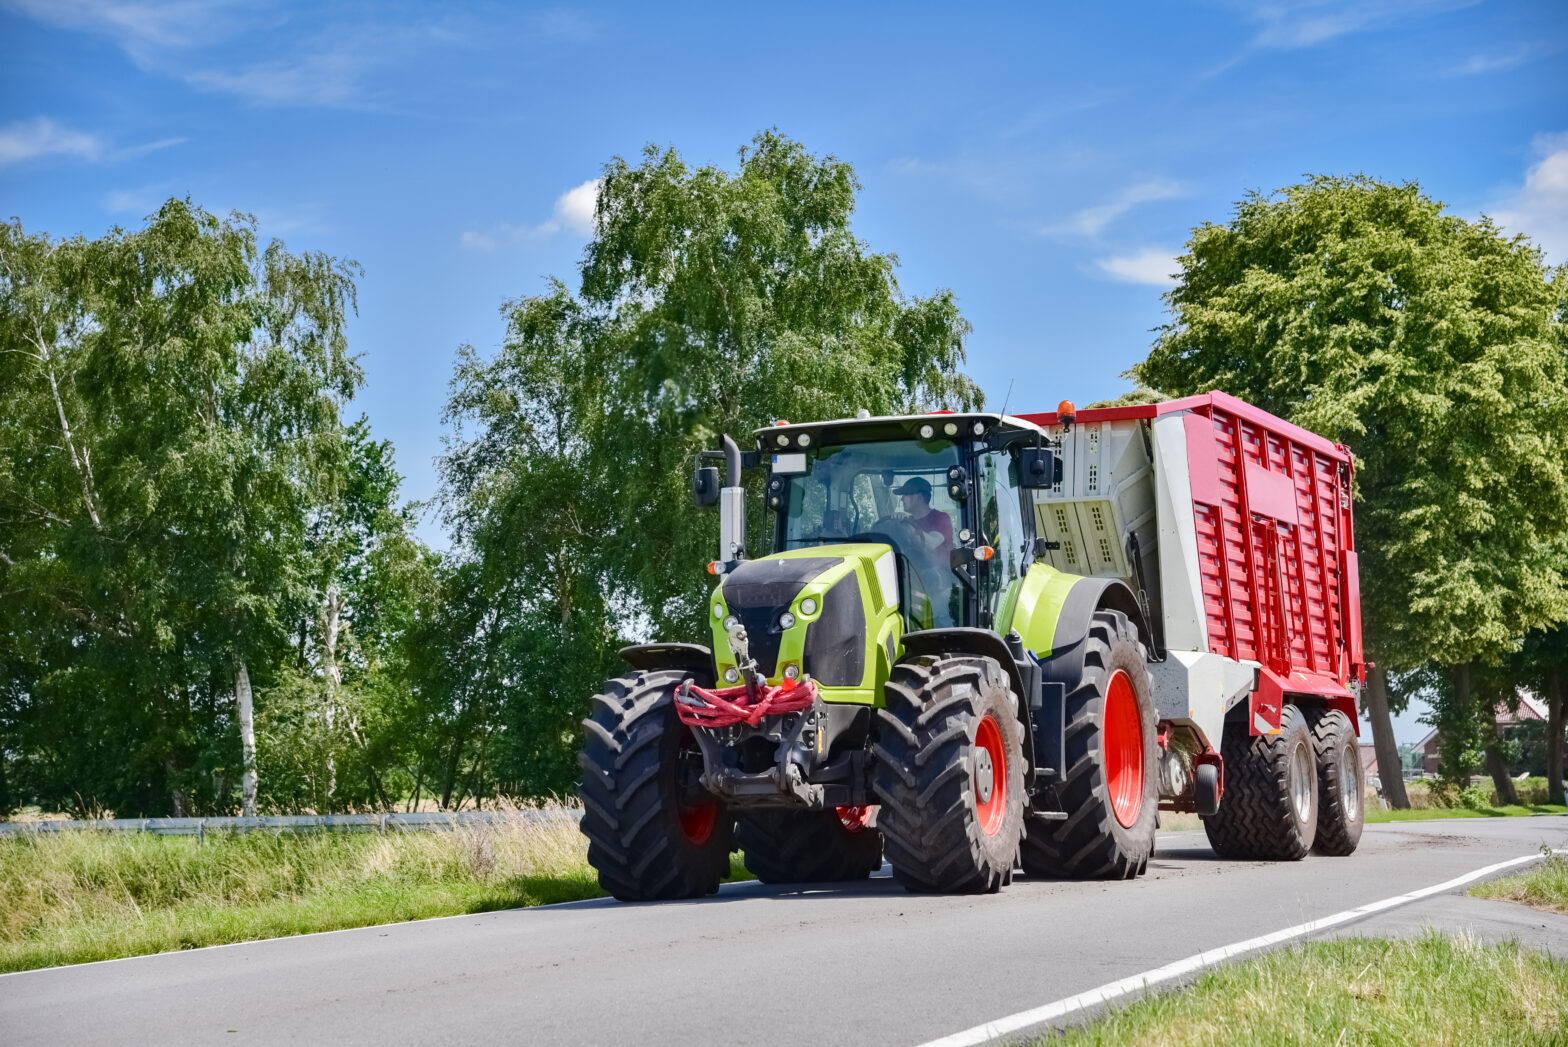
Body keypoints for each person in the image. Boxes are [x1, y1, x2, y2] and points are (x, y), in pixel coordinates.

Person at [890, 477, 953, 553]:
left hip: (937, 561)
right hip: (909, 561)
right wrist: (895, 524)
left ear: (919, 497)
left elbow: (932, 544)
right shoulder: (908, 521)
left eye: (905, 494)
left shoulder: (941, 518)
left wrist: (906, 525)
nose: (902, 499)